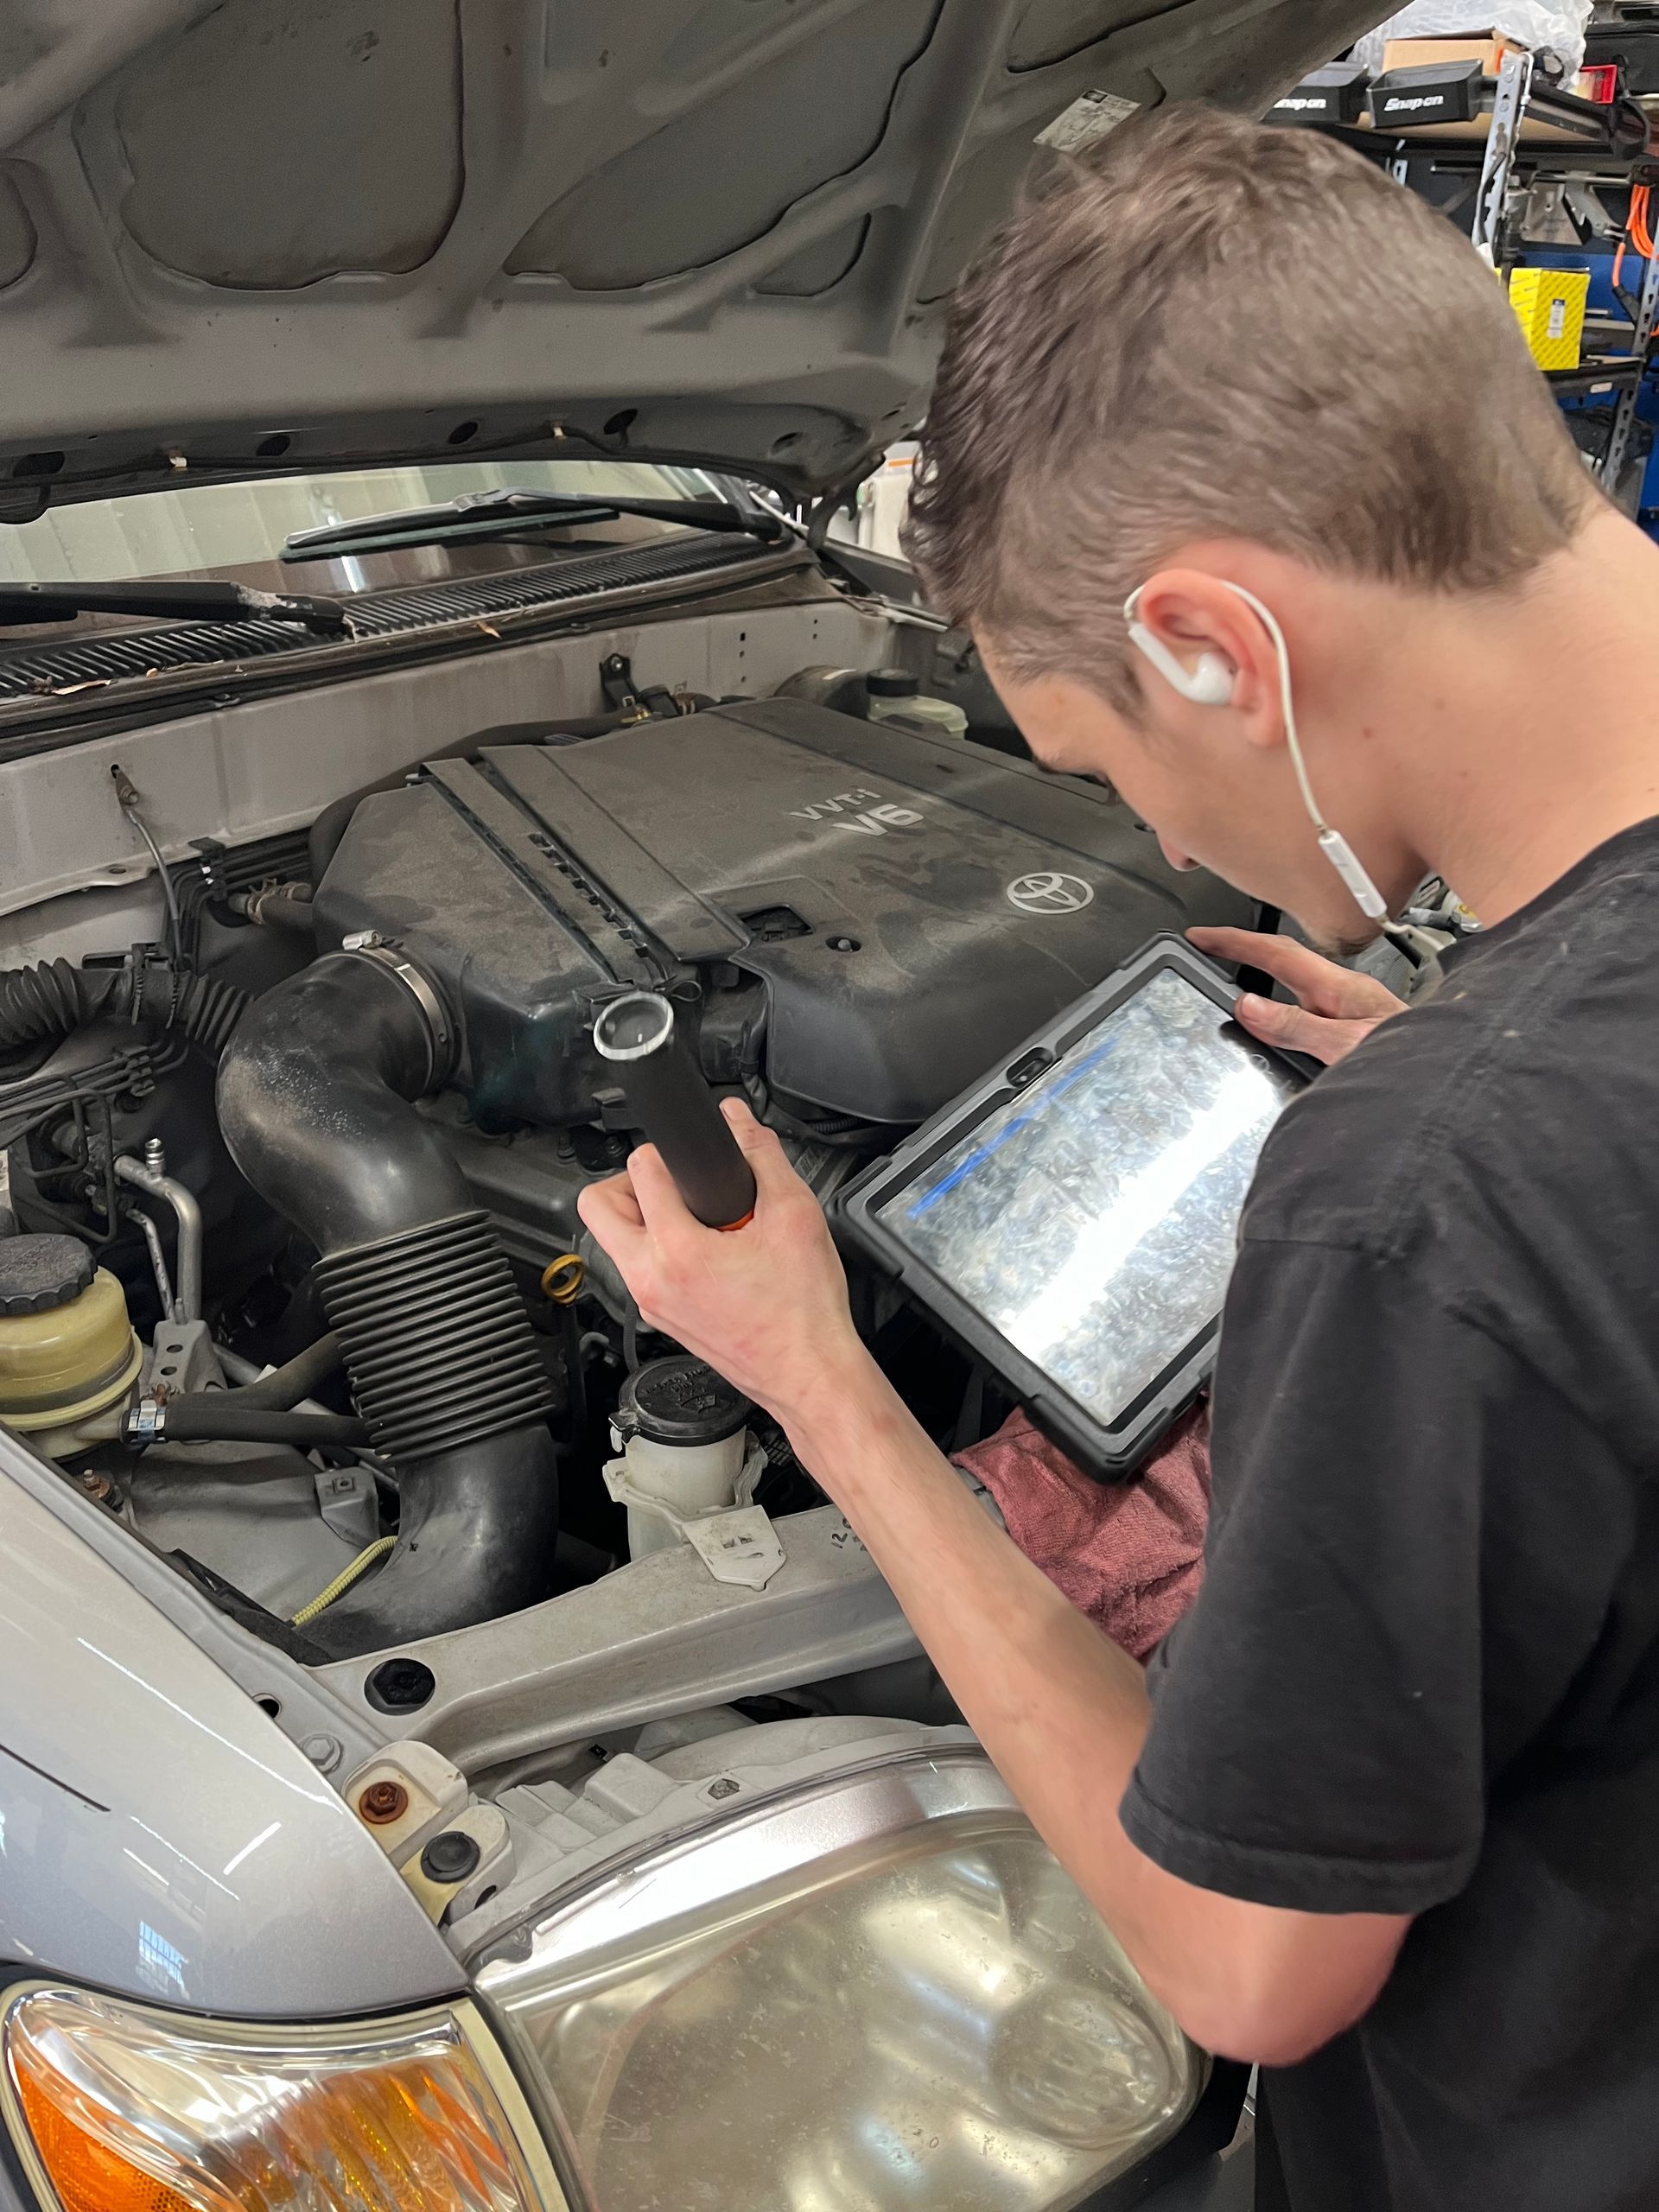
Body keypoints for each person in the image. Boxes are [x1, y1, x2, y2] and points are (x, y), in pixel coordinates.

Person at [579, 105, 1659, 2212]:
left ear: (1212, 644)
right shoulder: (1514, 1114)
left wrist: (822, 1379)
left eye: (1102, 762)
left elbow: (1243, 1965)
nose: (1155, 845)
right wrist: (1473, 1062)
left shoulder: (1432, 1198)